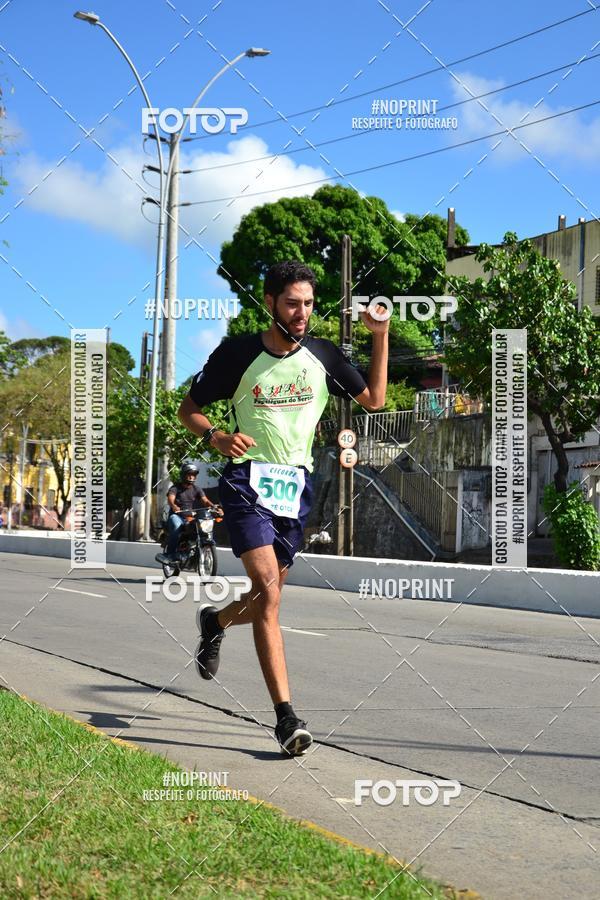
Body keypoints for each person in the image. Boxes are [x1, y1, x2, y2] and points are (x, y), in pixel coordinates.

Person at [178, 260, 389, 756]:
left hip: (295, 488)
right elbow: (190, 409)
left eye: (309, 304)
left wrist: (380, 337)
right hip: (245, 482)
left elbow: (376, 400)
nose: (302, 313)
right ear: (270, 302)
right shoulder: (237, 354)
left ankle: (215, 622)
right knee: (270, 593)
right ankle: (286, 718)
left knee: (264, 600)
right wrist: (217, 436)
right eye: (292, 303)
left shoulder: (324, 355)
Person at [156, 462, 215, 564]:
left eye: (194, 474)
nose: (192, 477)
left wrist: (213, 507)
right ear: (183, 475)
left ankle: (195, 549)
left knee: (203, 525)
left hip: (190, 517)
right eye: (189, 474)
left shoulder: (197, 489)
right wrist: (174, 506)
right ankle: (170, 555)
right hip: (177, 516)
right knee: (176, 525)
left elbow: (205, 501)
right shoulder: (175, 488)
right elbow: (170, 499)